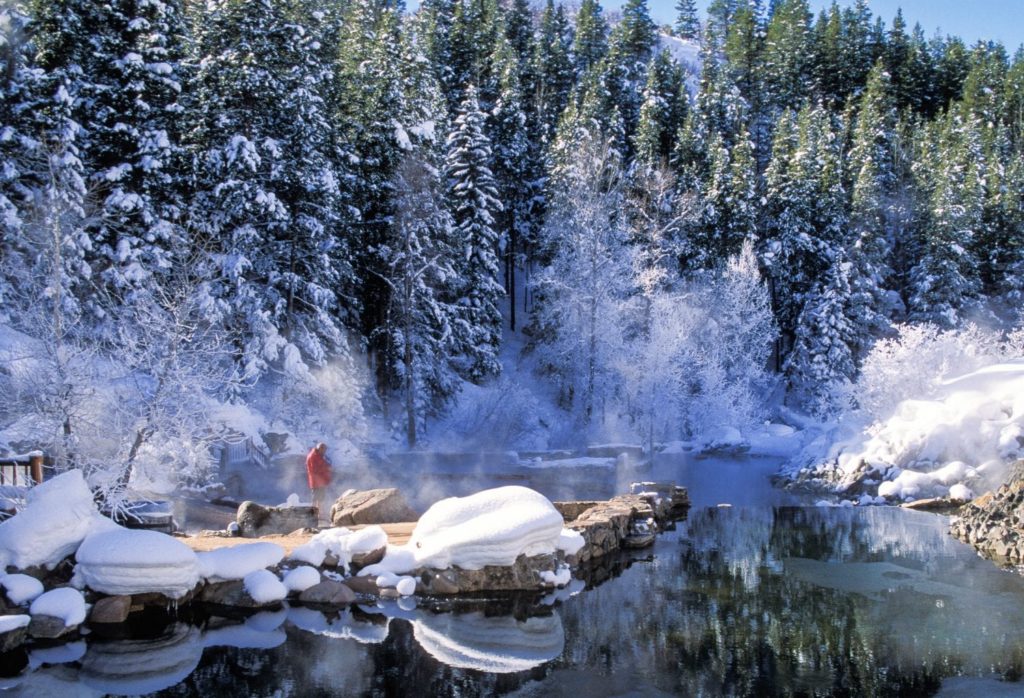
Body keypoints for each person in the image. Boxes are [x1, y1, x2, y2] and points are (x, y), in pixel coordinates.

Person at [305, 442, 333, 519]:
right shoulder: (313, 456)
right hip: (316, 480)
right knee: (316, 496)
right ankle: (314, 514)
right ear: (320, 449)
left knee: (320, 496)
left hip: (319, 480)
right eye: (324, 450)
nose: (325, 452)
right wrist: (327, 468)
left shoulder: (317, 455)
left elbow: (321, 464)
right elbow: (315, 469)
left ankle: (319, 513)